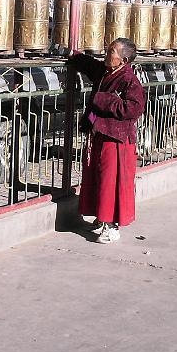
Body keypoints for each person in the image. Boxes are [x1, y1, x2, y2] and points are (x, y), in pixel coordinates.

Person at [67, 38, 145, 243]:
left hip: (116, 139)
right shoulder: (106, 71)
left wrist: (104, 99)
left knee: (112, 182)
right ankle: (102, 218)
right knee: (97, 177)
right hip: (100, 133)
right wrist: (73, 56)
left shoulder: (129, 80)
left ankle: (112, 226)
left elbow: (133, 108)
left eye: (111, 51)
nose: (106, 53)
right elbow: (90, 65)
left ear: (123, 60)